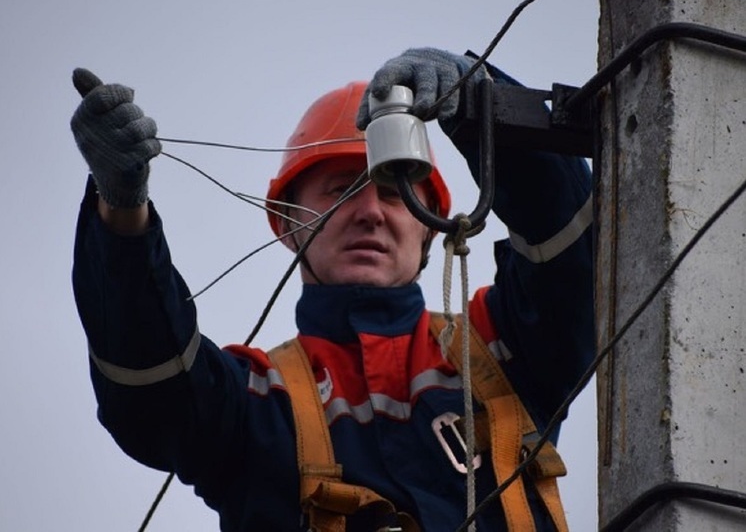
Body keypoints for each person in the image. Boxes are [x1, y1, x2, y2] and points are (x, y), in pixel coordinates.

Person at [71, 48, 594, 531]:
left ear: (431, 225)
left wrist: (483, 101)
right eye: (341, 190)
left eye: (394, 190)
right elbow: (148, 388)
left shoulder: (504, 350)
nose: (369, 212)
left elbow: (576, 251)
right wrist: (120, 214)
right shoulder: (251, 404)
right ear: (287, 222)